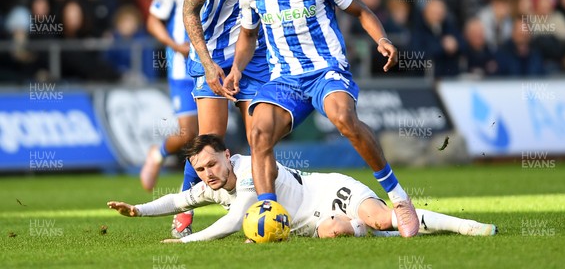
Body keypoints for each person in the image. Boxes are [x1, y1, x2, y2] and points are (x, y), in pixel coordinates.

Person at [222, 0, 419, 237]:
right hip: (285, 80)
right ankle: (269, 213)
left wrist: (381, 39)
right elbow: (247, 35)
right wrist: (237, 69)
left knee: (344, 119)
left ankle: (398, 198)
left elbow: (362, 12)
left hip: (326, 70)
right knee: (258, 134)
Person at [107, 135, 497, 242]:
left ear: (228, 155)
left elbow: (233, 222)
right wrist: (139, 210)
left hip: (328, 191)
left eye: (212, 163)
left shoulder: (246, 174)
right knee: (336, 232)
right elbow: (178, 199)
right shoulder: (212, 184)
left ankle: (463, 226)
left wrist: (186, 243)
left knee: (382, 220)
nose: (208, 174)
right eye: (201, 169)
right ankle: (363, 228)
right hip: (312, 223)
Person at [178, 0, 271, 237]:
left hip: (256, 56)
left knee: (261, 136)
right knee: (209, 140)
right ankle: (184, 216)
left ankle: (266, 208)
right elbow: (190, 12)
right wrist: (206, 61)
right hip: (213, 53)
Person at [140, 0, 215, 192]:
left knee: (211, 133)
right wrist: (175, 46)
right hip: (183, 68)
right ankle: (158, 153)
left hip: (216, 65)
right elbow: (153, 21)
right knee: (188, 133)